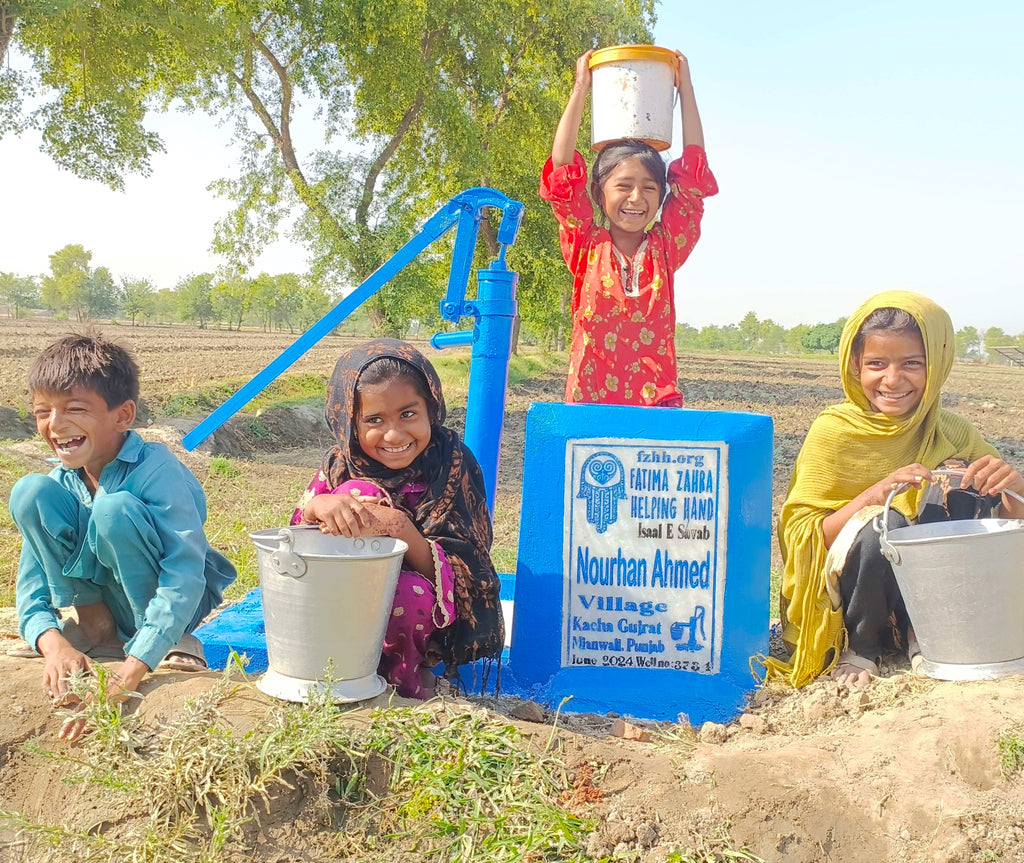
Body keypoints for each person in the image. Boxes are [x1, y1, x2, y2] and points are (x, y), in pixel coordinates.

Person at [765, 291, 1024, 689]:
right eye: (876, 364)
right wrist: (873, 496)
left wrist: (1011, 488)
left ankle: (929, 634)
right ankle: (865, 648)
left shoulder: (952, 431)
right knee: (883, 523)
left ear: (936, 367)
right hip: (856, 599)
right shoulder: (834, 432)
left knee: (960, 478)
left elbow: (1002, 525)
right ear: (855, 365)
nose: (892, 379)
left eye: (912, 364)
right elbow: (804, 534)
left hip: (940, 599)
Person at [9, 333, 237, 740]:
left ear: (123, 415)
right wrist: (53, 644)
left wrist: (132, 669)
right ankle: (94, 627)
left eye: (74, 409)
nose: (55, 425)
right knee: (29, 492)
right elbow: (31, 587)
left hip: (169, 605)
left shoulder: (158, 472)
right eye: (43, 411)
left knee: (114, 508)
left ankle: (161, 641)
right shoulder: (59, 481)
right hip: (101, 607)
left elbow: (184, 573)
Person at [291, 339, 504, 698]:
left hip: (425, 611)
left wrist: (398, 528)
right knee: (358, 493)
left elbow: (466, 569)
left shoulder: (451, 465)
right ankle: (340, 668)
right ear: (349, 424)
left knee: (407, 590)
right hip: (339, 611)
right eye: (374, 420)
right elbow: (295, 547)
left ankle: (405, 680)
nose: (394, 435)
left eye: (408, 414)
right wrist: (318, 508)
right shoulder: (340, 466)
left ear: (431, 409)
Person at [540, 48, 718, 407]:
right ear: (597, 192)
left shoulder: (666, 249)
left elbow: (694, 172)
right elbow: (561, 168)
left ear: (662, 194)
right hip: (589, 406)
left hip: (655, 409)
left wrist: (685, 90)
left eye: (649, 187)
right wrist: (580, 89)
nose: (636, 198)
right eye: (623, 186)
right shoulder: (585, 246)